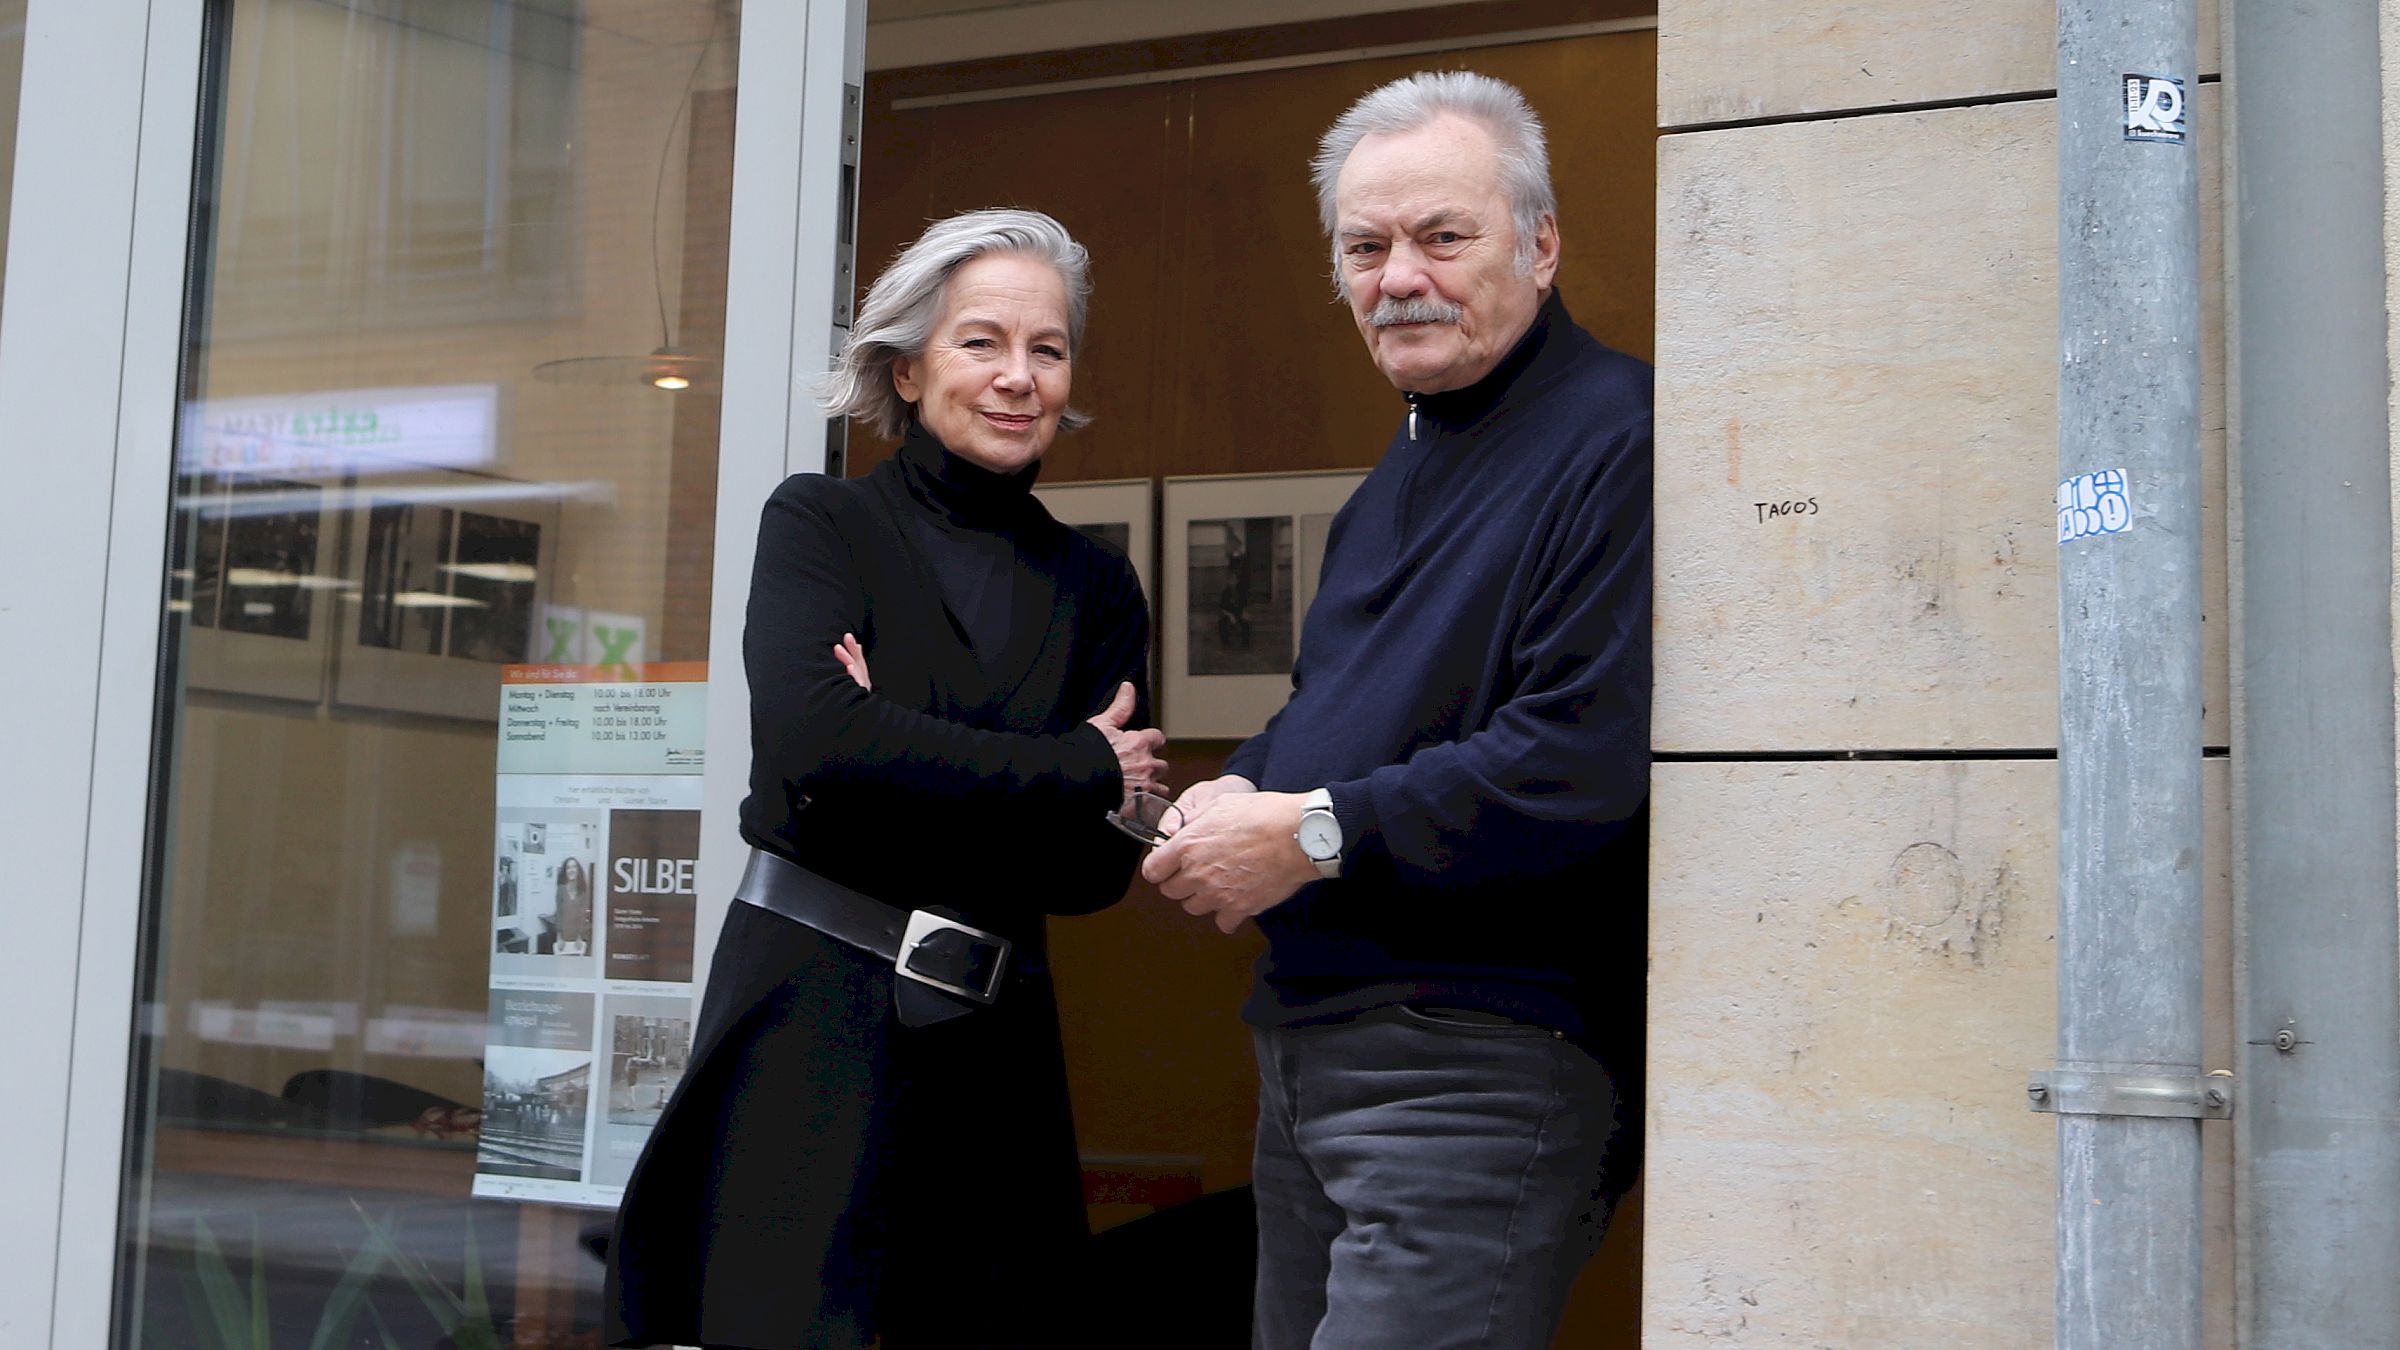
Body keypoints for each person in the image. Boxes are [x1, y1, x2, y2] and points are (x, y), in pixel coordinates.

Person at [1141, 71, 1652, 1348]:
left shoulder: (1623, 438)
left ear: (1540, 244)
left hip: (1479, 1059)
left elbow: (1577, 760)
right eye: (1365, 248)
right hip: (1309, 1054)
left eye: (1442, 236)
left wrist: (1305, 834)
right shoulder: (1405, 464)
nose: (1399, 276)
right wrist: (1239, 784)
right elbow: (1340, 708)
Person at [605, 208, 1166, 1350]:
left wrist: (899, 742)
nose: (1018, 377)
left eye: (1047, 350)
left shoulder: (1097, 586)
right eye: (982, 342)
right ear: (907, 367)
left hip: (993, 1050)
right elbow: (817, 744)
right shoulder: (822, 524)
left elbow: (1094, 863)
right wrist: (1067, 761)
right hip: (810, 1019)